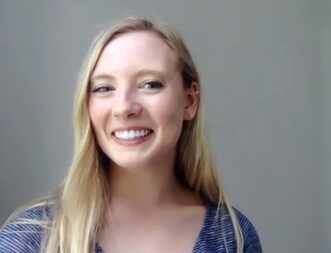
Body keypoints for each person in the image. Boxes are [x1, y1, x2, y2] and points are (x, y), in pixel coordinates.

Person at [0, 17, 262, 253]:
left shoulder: (232, 239)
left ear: (189, 101)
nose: (124, 107)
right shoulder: (30, 239)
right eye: (104, 88)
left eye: (150, 84)